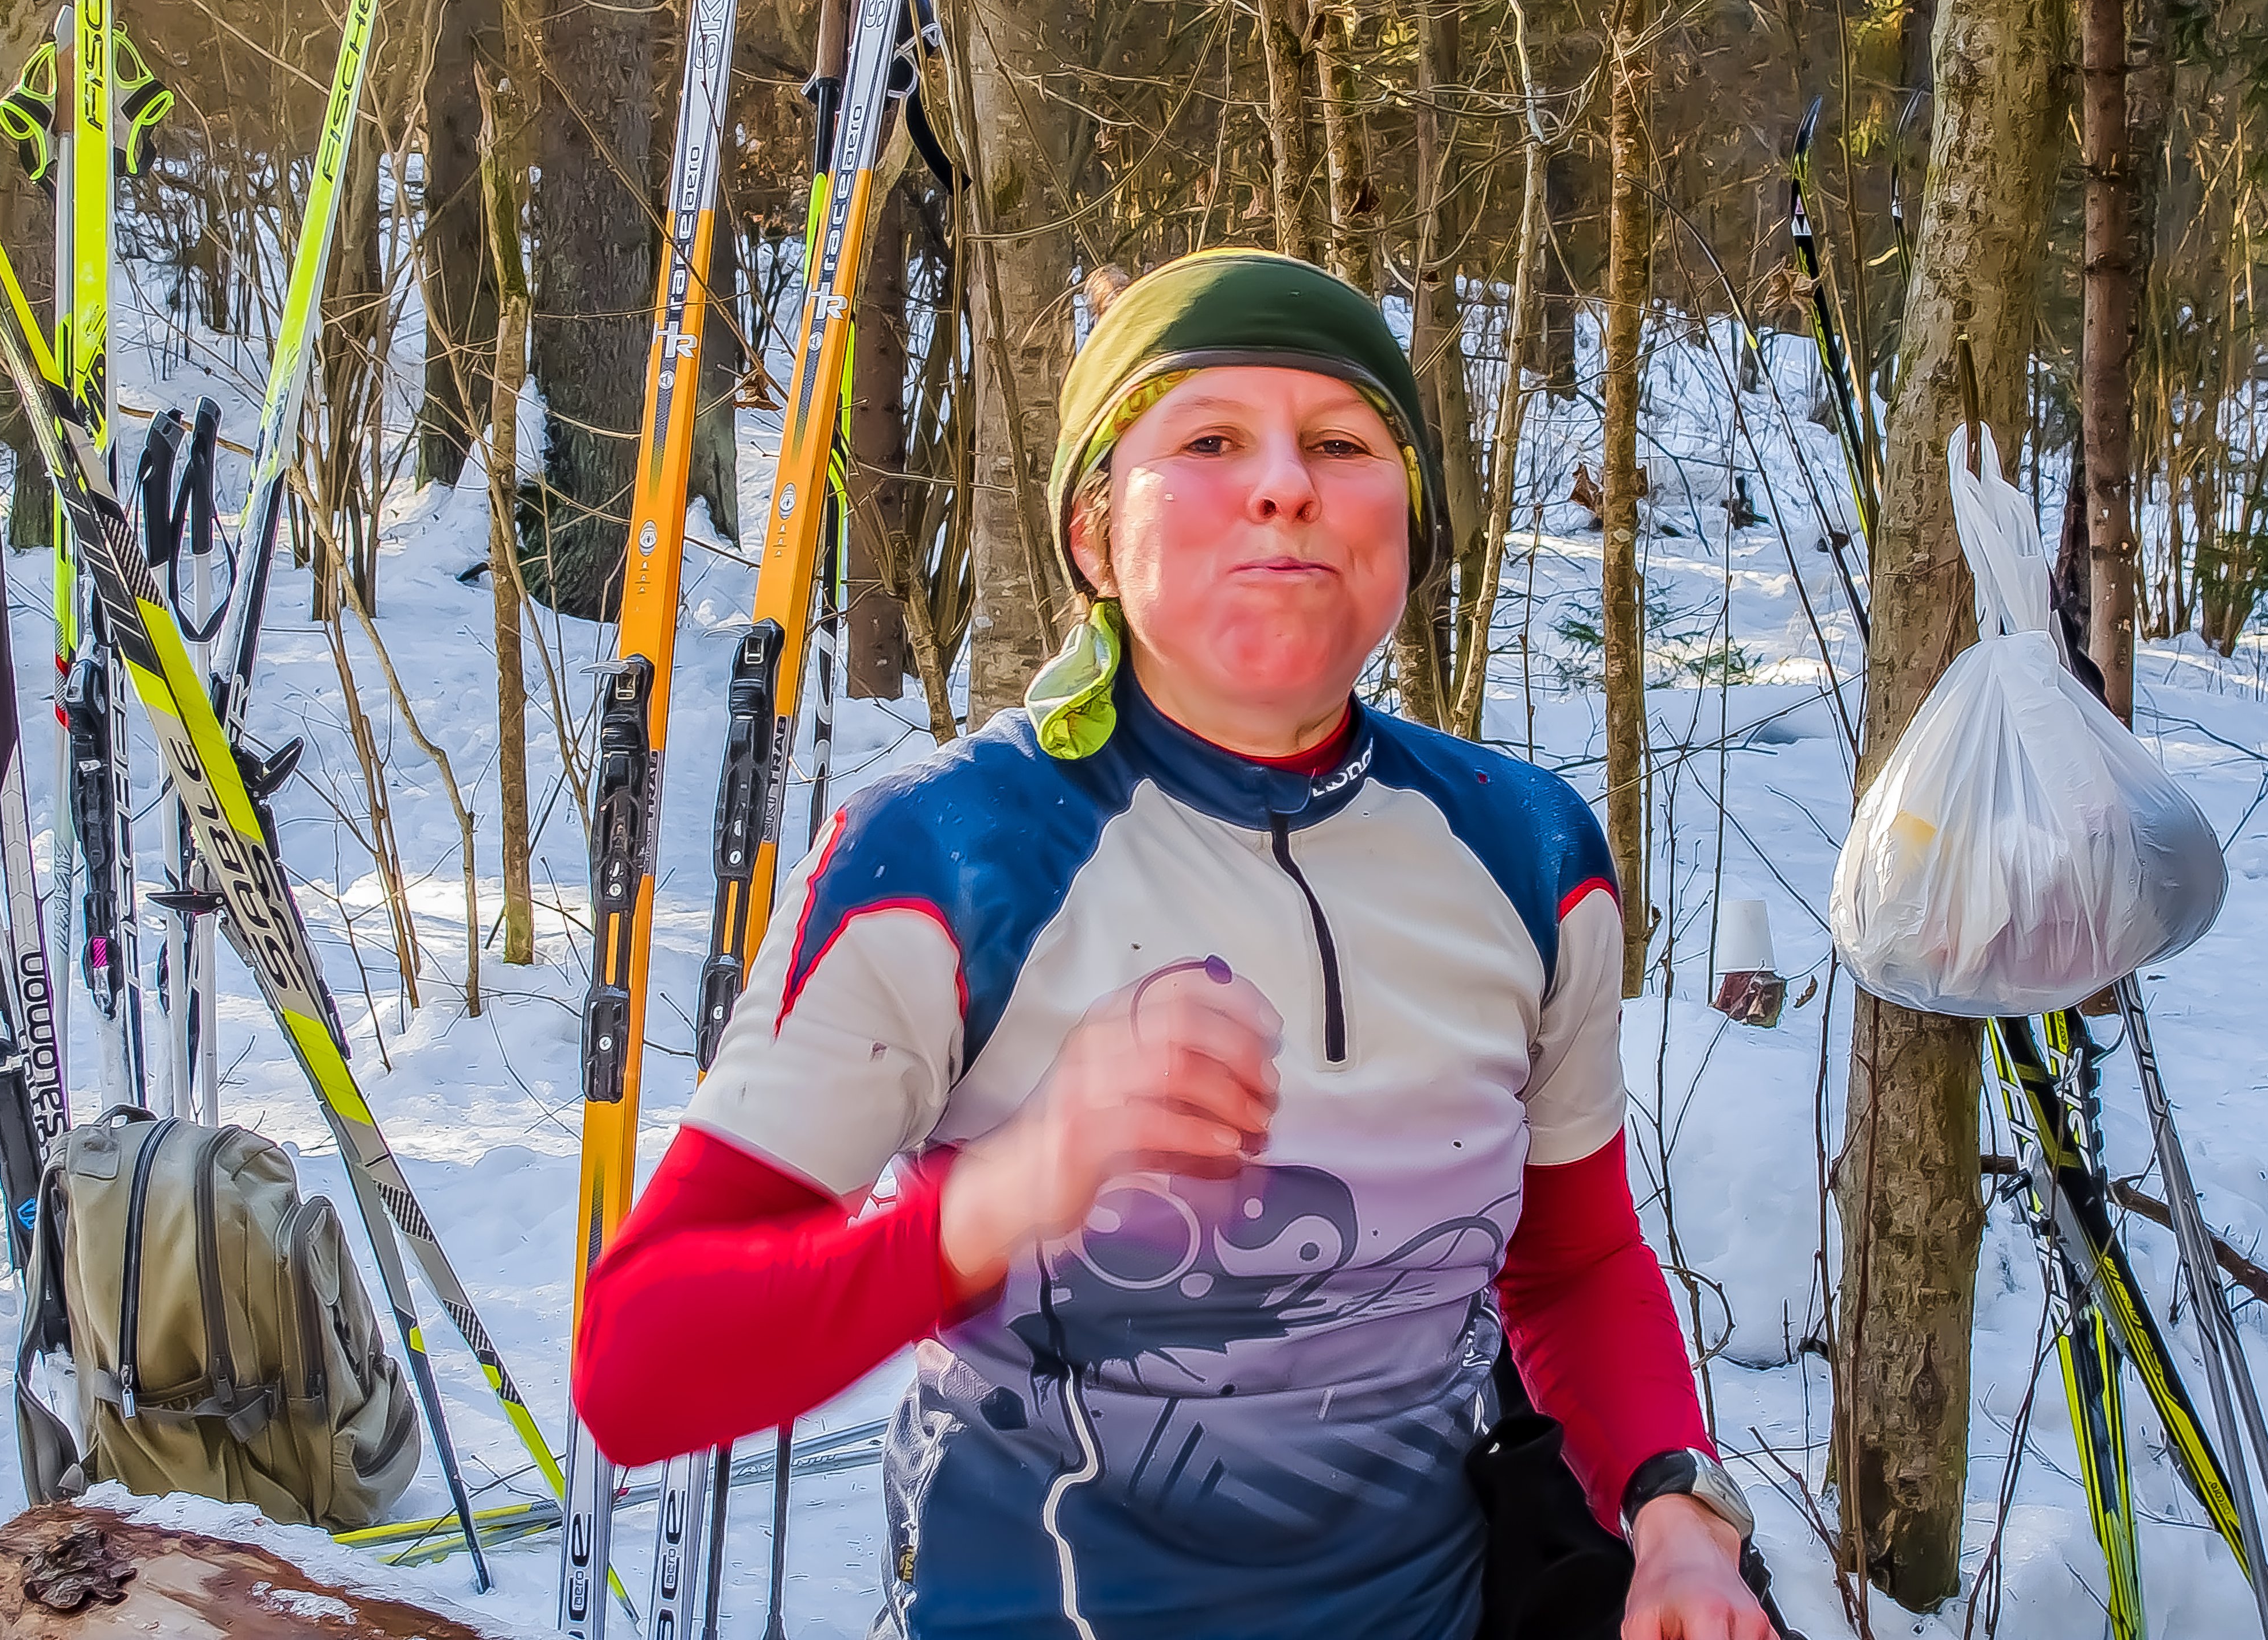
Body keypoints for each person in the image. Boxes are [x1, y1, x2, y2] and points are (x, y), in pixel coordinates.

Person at [574, 249, 1773, 1640]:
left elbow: (1571, 1265)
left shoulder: (1528, 852)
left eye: (1341, 442)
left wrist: (1674, 1511)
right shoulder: (955, 856)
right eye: (1210, 440)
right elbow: (641, 1365)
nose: (1286, 484)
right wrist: (1005, 1194)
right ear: (1093, 533)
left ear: (1413, 523)